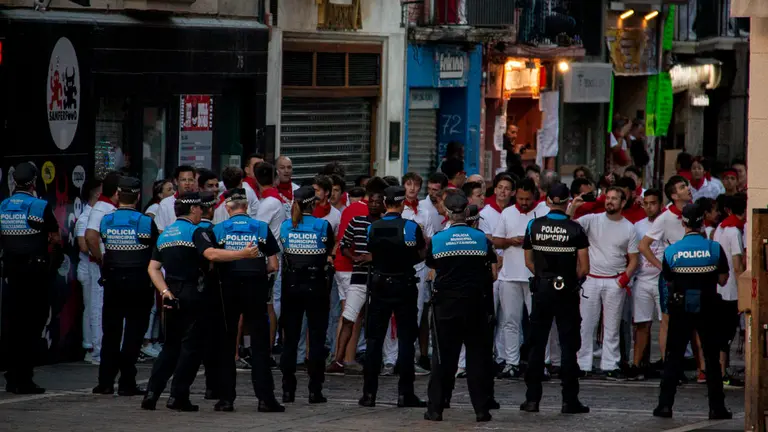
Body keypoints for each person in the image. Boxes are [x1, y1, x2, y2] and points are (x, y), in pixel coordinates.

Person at [142, 192, 262, 412]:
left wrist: (165, 291)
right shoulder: (196, 232)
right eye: (200, 209)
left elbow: (153, 268)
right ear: (193, 209)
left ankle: (151, 393)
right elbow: (212, 255)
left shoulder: (166, 234)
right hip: (194, 294)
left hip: (171, 295)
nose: (203, 212)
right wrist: (243, 254)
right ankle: (178, 396)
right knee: (191, 348)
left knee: (169, 347)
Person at [653, 203, 732, 420]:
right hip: (708, 306)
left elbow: (668, 279)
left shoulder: (671, 251)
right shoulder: (714, 248)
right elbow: (723, 280)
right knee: (712, 358)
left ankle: (665, 406)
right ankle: (717, 407)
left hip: (681, 307)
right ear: (703, 221)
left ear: (683, 222)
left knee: (673, 356)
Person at [424, 193, 497, 423]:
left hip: (446, 306)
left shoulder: (438, 239)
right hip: (475, 304)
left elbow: (432, 264)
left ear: (446, 213)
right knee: (477, 359)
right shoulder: (481, 238)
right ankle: (481, 410)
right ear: (467, 212)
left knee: (443, 359)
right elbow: (490, 268)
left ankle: (436, 409)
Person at [209, 188, 282, 412]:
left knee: (227, 342)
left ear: (227, 207)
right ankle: (265, 399)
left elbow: (212, 261)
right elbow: (273, 265)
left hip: (228, 287)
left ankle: (226, 399)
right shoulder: (261, 227)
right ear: (247, 207)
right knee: (260, 344)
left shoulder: (218, 229)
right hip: (255, 287)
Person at [520, 182, 590, 414]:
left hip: (541, 288)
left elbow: (528, 262)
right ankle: (569, 400)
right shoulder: (575, 228)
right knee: (569, 345)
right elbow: (584, 267)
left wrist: (542, 277)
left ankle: (532, 399)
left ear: (548, 201)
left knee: (536, 344)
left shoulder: (534, 225)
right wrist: (569, 281)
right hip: (567, 290)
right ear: (568, 201)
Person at [359, 186, 427, 409]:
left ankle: (369, 394)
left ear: (385, 203)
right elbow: (419, 254)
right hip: (404, 284)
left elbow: (372, 251)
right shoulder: (410, 227)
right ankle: (405, 393)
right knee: (406, 340)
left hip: (379, 284)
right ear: (402, 204)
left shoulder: (374, 227)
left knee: (374, 340)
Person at [92, 177, 158, 396]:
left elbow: (102, 243)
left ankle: (105, 382)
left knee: (110, 333)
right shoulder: (146, 222)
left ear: (118, 196)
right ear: (138, 197)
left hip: (113, 282)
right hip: (139, 283)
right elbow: (154, 250)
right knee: (134, 334)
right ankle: (127, 382)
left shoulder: (106, 220)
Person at [0, 162, 61, 394]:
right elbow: (55, 238)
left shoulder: (4, 205)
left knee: (14, 325)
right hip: (35, 273)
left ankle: (12, 375)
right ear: (34, 182)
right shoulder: (39, 206)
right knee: (31, 326)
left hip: (12, 273)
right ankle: (24, 378)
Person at [568, 186, 639, 379]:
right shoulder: (592, 219)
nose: (610, 201)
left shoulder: (629, 228)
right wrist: (572, 207)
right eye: (608, 198)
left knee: (612, 326)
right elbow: (568, 227)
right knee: (586, 324)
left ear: (623, 203)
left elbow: (634, 259)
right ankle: (583, 363)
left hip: (615, 281)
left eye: (614, 199)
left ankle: (610, 363)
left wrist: (623, 279)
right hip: (591, 279)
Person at [278, 186, 335, 404]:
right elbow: (329, 249)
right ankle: (315, 390)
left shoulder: (286, 226)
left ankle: (287, 390)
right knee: (317, 338)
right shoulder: (322, 225)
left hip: (291, 286)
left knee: (290, 338)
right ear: (314, 203)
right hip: (316, 285)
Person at [492, 178, 549, 378]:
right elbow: (496, 241)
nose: (524, 203)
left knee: (539, 322)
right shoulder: (507, 213)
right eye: (521, 198)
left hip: (535, 275)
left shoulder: (544, 213)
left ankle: (541, 362)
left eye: (527, 199)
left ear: (535, 195)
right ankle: (511, 362)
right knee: (510, 321)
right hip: (509, 276)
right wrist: (510, 241)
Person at [327, 186, 385, 374]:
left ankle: (375, 359)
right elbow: (344, 244)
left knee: (376, 321)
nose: (374, 205)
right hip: (359, 276)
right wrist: (354, 257)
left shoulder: (386, 224)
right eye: (372, 201)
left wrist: (373, 257)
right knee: (349, 317)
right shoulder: (356, 221)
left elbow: (391, 251)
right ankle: (338, 359)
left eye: (378, 202)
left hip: (379, 278)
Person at [638, 176, 691, 369]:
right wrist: (662, 266)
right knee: (667, 320)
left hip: (693, 273)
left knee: (691, 320)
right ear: (674, 195)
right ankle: (669, 365)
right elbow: (643, 246)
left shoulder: (692, 212)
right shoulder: (664, 218)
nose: (688, 188)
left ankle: (695, 365)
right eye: (683, 186)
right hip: (673, 275)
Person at [627, 188, 664, 380]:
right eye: (646, 203)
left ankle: (668, 363)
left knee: (665, 324)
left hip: (662, 280)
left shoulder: (667, 222)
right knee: (641, 324)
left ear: (660, 204)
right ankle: (636, 364)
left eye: (653, 203)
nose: (650, 207)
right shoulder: (638, 226)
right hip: (642, 280)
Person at [85, 171, 121, 366]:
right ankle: (99, 351)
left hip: (108, 266)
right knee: (99, 308)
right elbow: (91, 237)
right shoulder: (102, 209)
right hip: (101, 266)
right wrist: (101, 260)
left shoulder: (108, 207)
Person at [401, 172, 436, 372]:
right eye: (409, 184)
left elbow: (429, 238)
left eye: (416, 185)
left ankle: (413, 356)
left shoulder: (424, 212)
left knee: (418, 312)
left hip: (420, 267)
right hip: (402, 266)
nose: (412, 188)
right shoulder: (400, 210)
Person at [712, 193, 746, 387]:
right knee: (726, 334)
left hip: (720, 286)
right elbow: (737, 263)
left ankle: (721, 371)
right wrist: (744, 288)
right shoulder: (733, 230)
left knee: (722, 333)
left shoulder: (721, 228)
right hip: (731, 289)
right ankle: (722, 372)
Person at [75, 179, 102, 363]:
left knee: (95, 308)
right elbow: (83, 246)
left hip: (94, 269)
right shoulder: (85, 217)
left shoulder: (96, 214)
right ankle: (90, 347)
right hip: (88, 268)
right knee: (91, 308)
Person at [154, 165, 197, 232]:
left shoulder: (200, 201)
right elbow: (160, 230)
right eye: (183, 180)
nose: (187, 183)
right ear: (176, 181)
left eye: (190, 180)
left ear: (194, 181)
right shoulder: (165, 203)